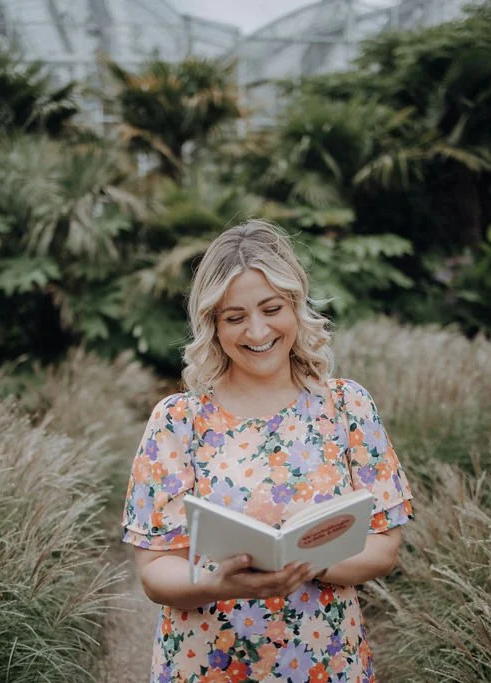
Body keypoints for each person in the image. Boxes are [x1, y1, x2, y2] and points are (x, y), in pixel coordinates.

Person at [121, 220, 413, 682]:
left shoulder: (348, 407)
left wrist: (300, 563)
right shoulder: (178, 420)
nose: (257, 330)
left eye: (271, 308)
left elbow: (383, 545)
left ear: (296, 305)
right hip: (205, 666)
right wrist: (218, 583)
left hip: (324, 662)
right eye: (234, 317)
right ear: (212, 325)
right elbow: (156, 570)